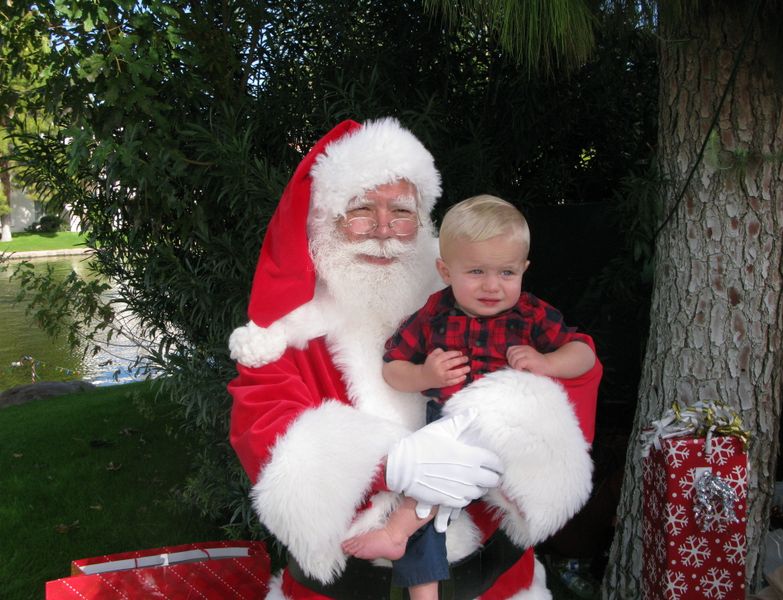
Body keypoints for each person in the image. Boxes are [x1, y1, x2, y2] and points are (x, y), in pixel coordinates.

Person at [227, 118, 603, 600]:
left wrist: (510, 419)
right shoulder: (286, 333)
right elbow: (261, 424)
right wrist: (394, 464)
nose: (383, 230)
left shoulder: (470, 294)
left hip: (494, 584)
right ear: (325, 220)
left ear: (423, 221)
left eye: (401, 211)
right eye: (361, 209)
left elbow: (579, 370)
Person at [340, 195, 597, 600]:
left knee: (439, 482)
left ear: (524, 270)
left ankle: (396, 530)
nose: (493, 285)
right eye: (476, 271)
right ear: (446, 271)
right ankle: (423, 590)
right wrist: (426, 373)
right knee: (430, 476)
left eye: (507, 272)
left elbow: (583, 353)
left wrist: (547, 363)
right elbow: (392, 367)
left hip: (505, 426)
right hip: (447, 421)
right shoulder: (435, 314)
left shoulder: (529, 315)